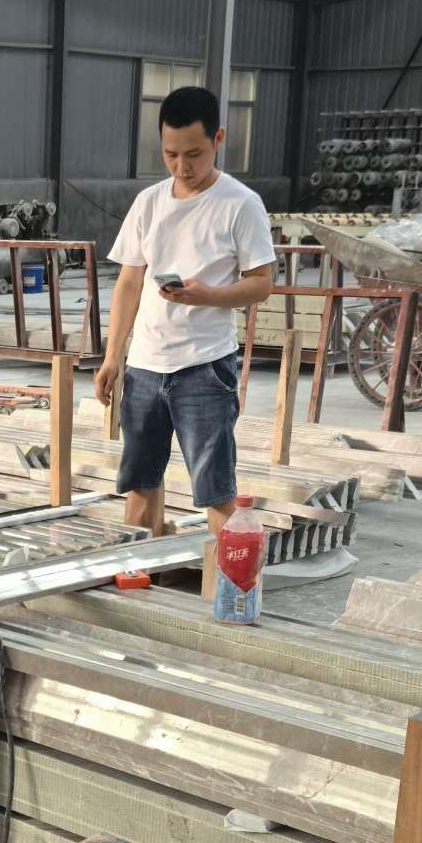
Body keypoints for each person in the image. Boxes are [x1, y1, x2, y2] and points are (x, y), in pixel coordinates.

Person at [94, 86, 275, 537]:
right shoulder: (149, 202)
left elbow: (261, 283)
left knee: (216, 491)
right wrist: (113, 355)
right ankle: (142, 572)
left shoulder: (241, 204)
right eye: (170, 154)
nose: (182, 167)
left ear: (218, 139)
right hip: (144, 367)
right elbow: (129, 282)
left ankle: (222, 576)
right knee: (140, 484)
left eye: (193, 154)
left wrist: (208, 295)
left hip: (205, 368)